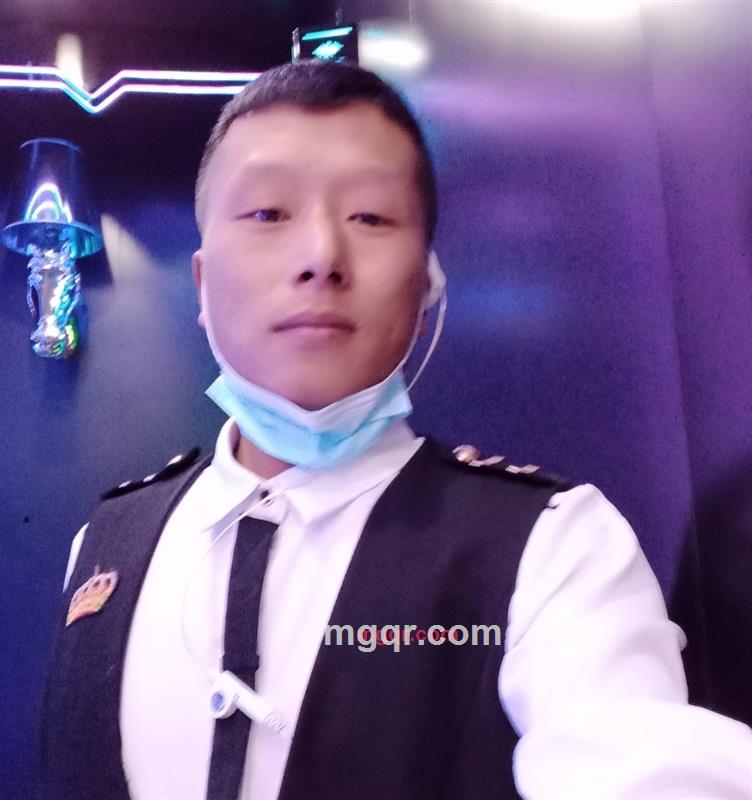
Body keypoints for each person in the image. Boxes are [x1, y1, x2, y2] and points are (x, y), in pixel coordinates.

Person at [37, 59, 752, 799]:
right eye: (269, 214)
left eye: (371, 217)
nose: (321, 256)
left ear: (426, 282)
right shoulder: (105, 543)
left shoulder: (552, 546)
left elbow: (632, 752)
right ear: (201, 283)